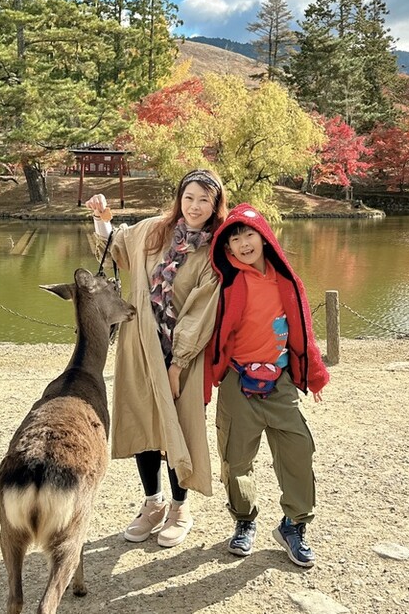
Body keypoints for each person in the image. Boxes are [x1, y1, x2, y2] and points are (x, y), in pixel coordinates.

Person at [84, 169, 227, 548]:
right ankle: (153, 503)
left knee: (178, 427)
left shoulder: (215, 251)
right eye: (189, 197)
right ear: (179, 198)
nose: (194, 207)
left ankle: (181, 507)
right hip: (137, 344)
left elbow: (200, 313)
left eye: (204, 201)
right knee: (142, 423)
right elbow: (117, 246)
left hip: (182, 355)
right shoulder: (152, 230)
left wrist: (178, 364)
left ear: (215, 207)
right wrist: (102, 220)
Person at [205, 203, 330, 568]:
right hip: (237, 380)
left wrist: (314, 373)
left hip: (280, 380)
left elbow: (303, 329)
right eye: (235, 239)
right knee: (235, 456)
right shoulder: (226, 282)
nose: (243, 243)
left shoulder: (286, 279)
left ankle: (294, 524)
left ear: (264, 236)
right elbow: (206, 333)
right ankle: (244, 520)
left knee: (298, 449)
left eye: (249, 234)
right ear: (227, 249)